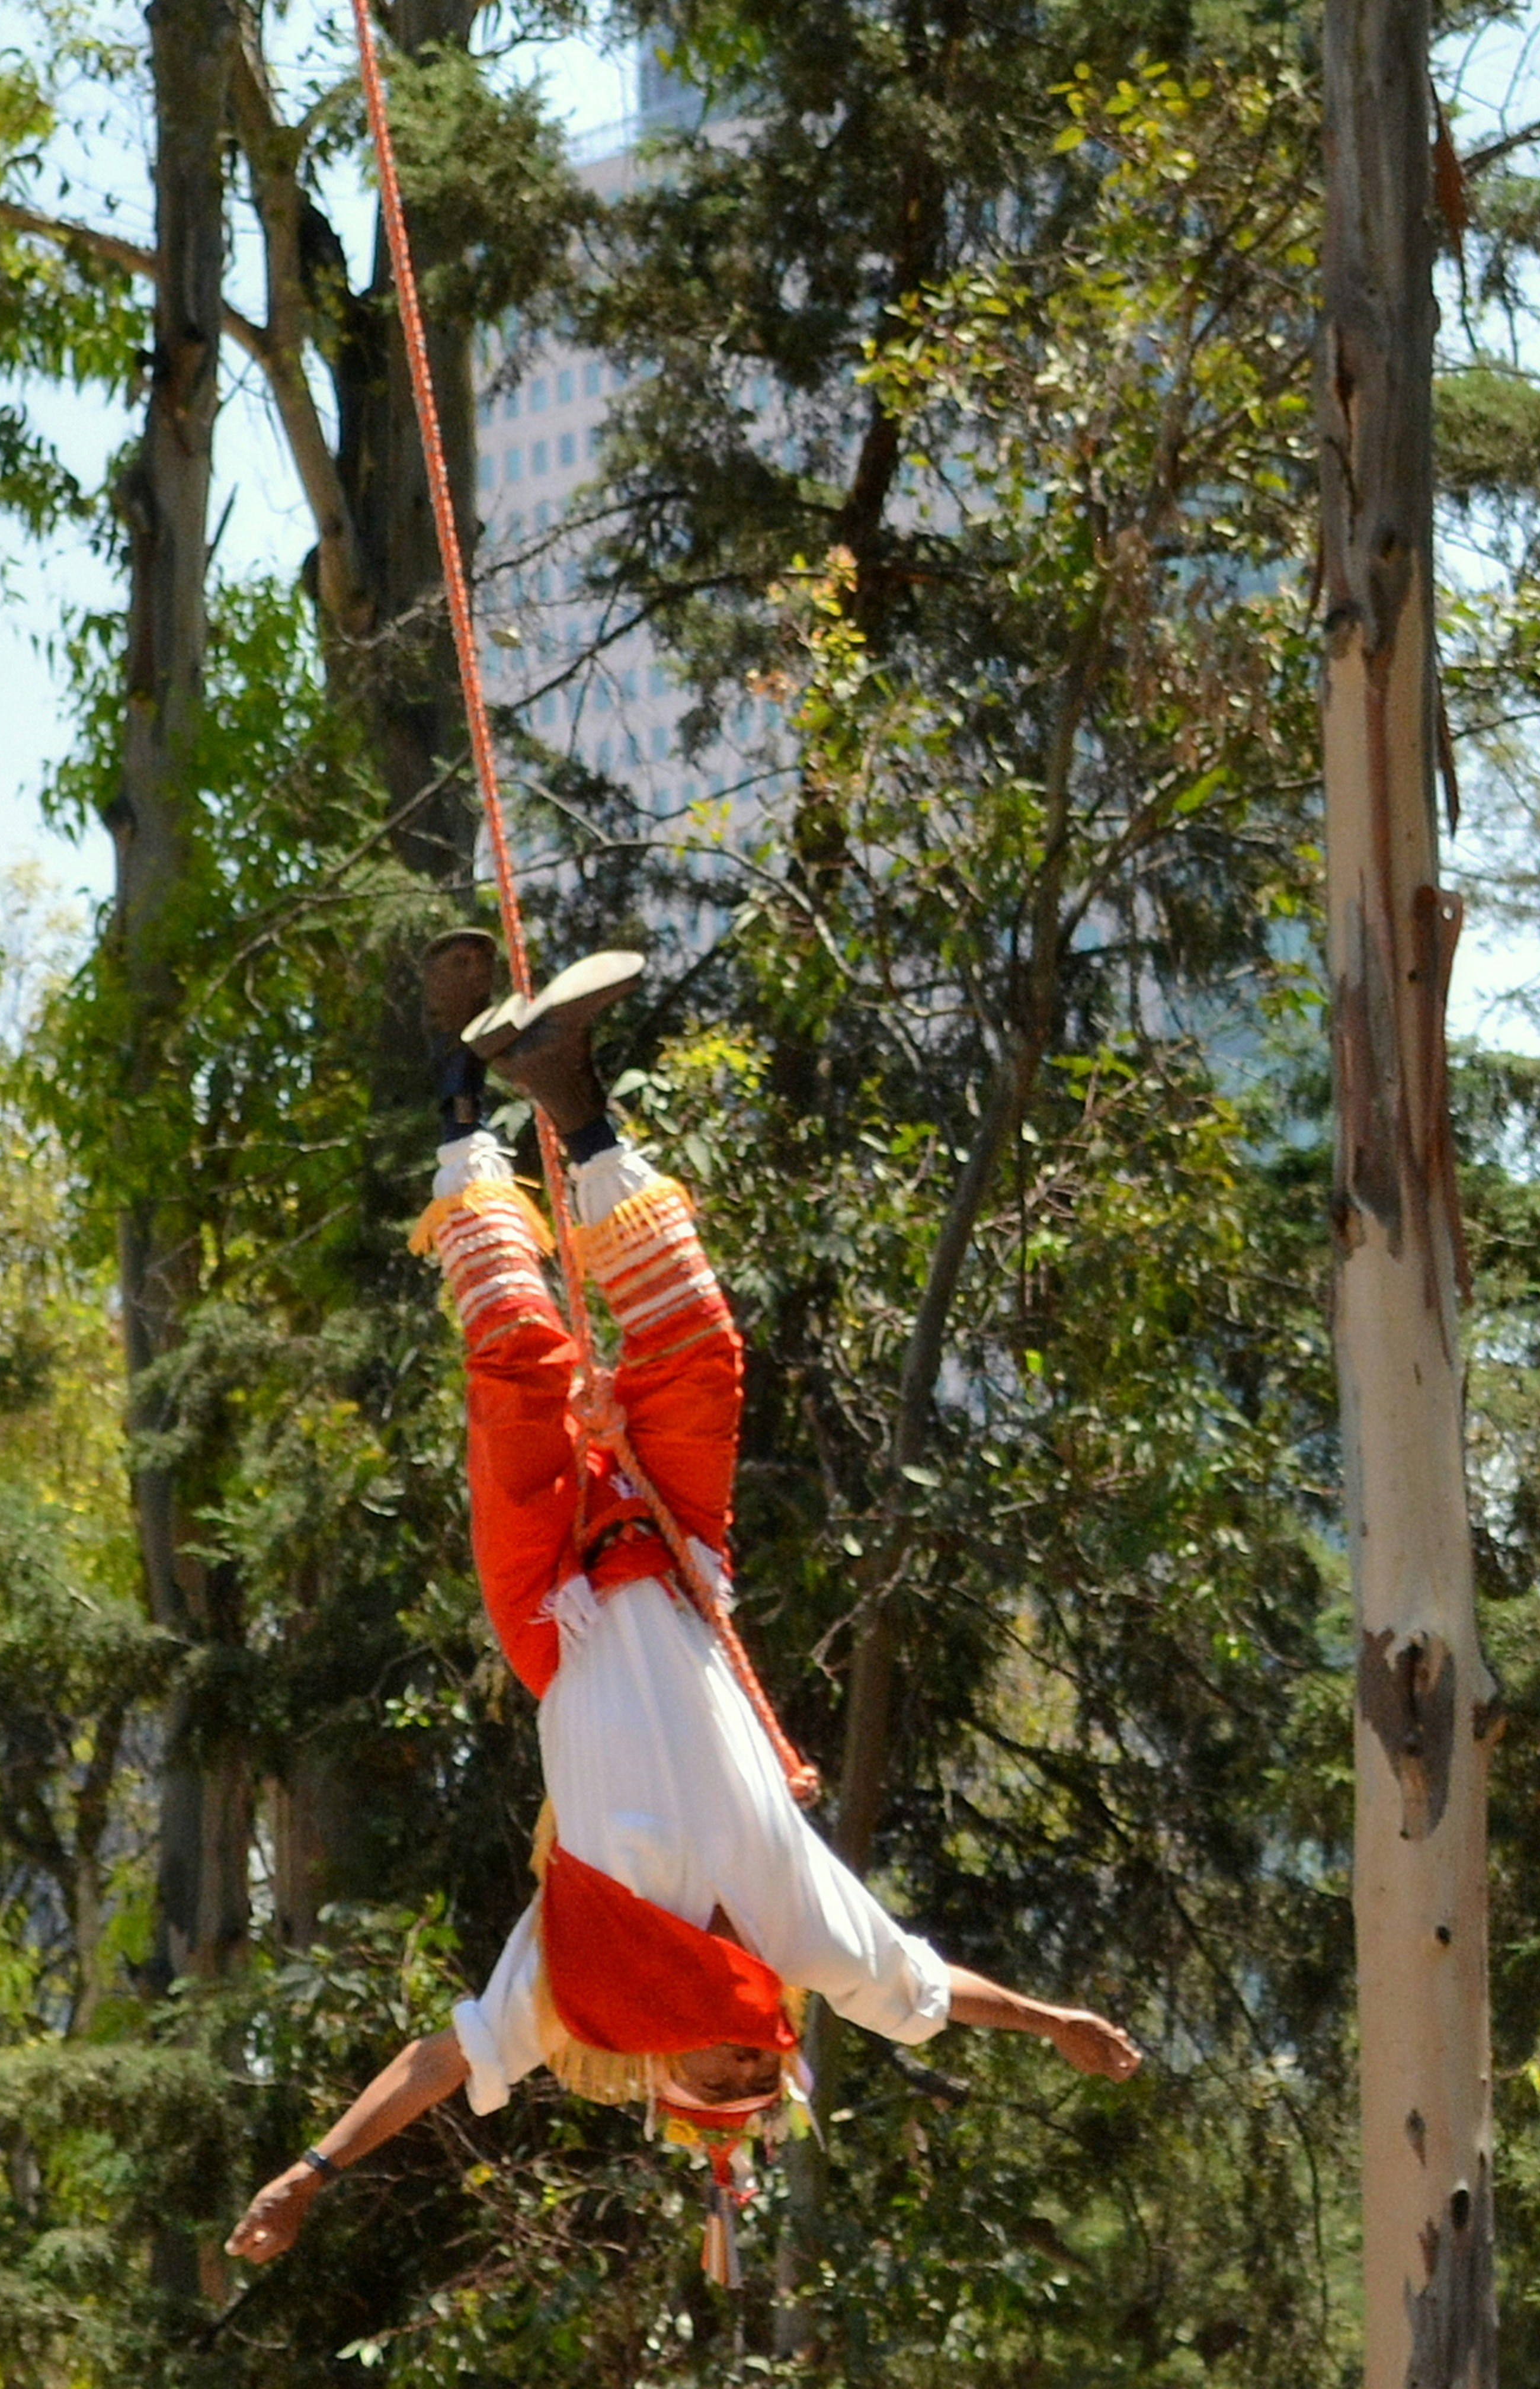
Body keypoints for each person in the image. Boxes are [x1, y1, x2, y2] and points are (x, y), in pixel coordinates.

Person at [226, 939, 1142, 2276]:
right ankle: (569, 1090)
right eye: (751, 2065)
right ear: (773, 2039)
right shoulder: (807, 1934)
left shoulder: (577, 1988)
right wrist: (1054, 2018)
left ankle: (456, 1093)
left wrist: (311, 2170)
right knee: (698, 1347)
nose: (733, 2049)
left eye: (712, 2072)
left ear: (666, 2070)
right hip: (675, 1556)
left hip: (554, 1606)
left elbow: (441, 2062)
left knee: (520, 1357)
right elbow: (934, 1992)